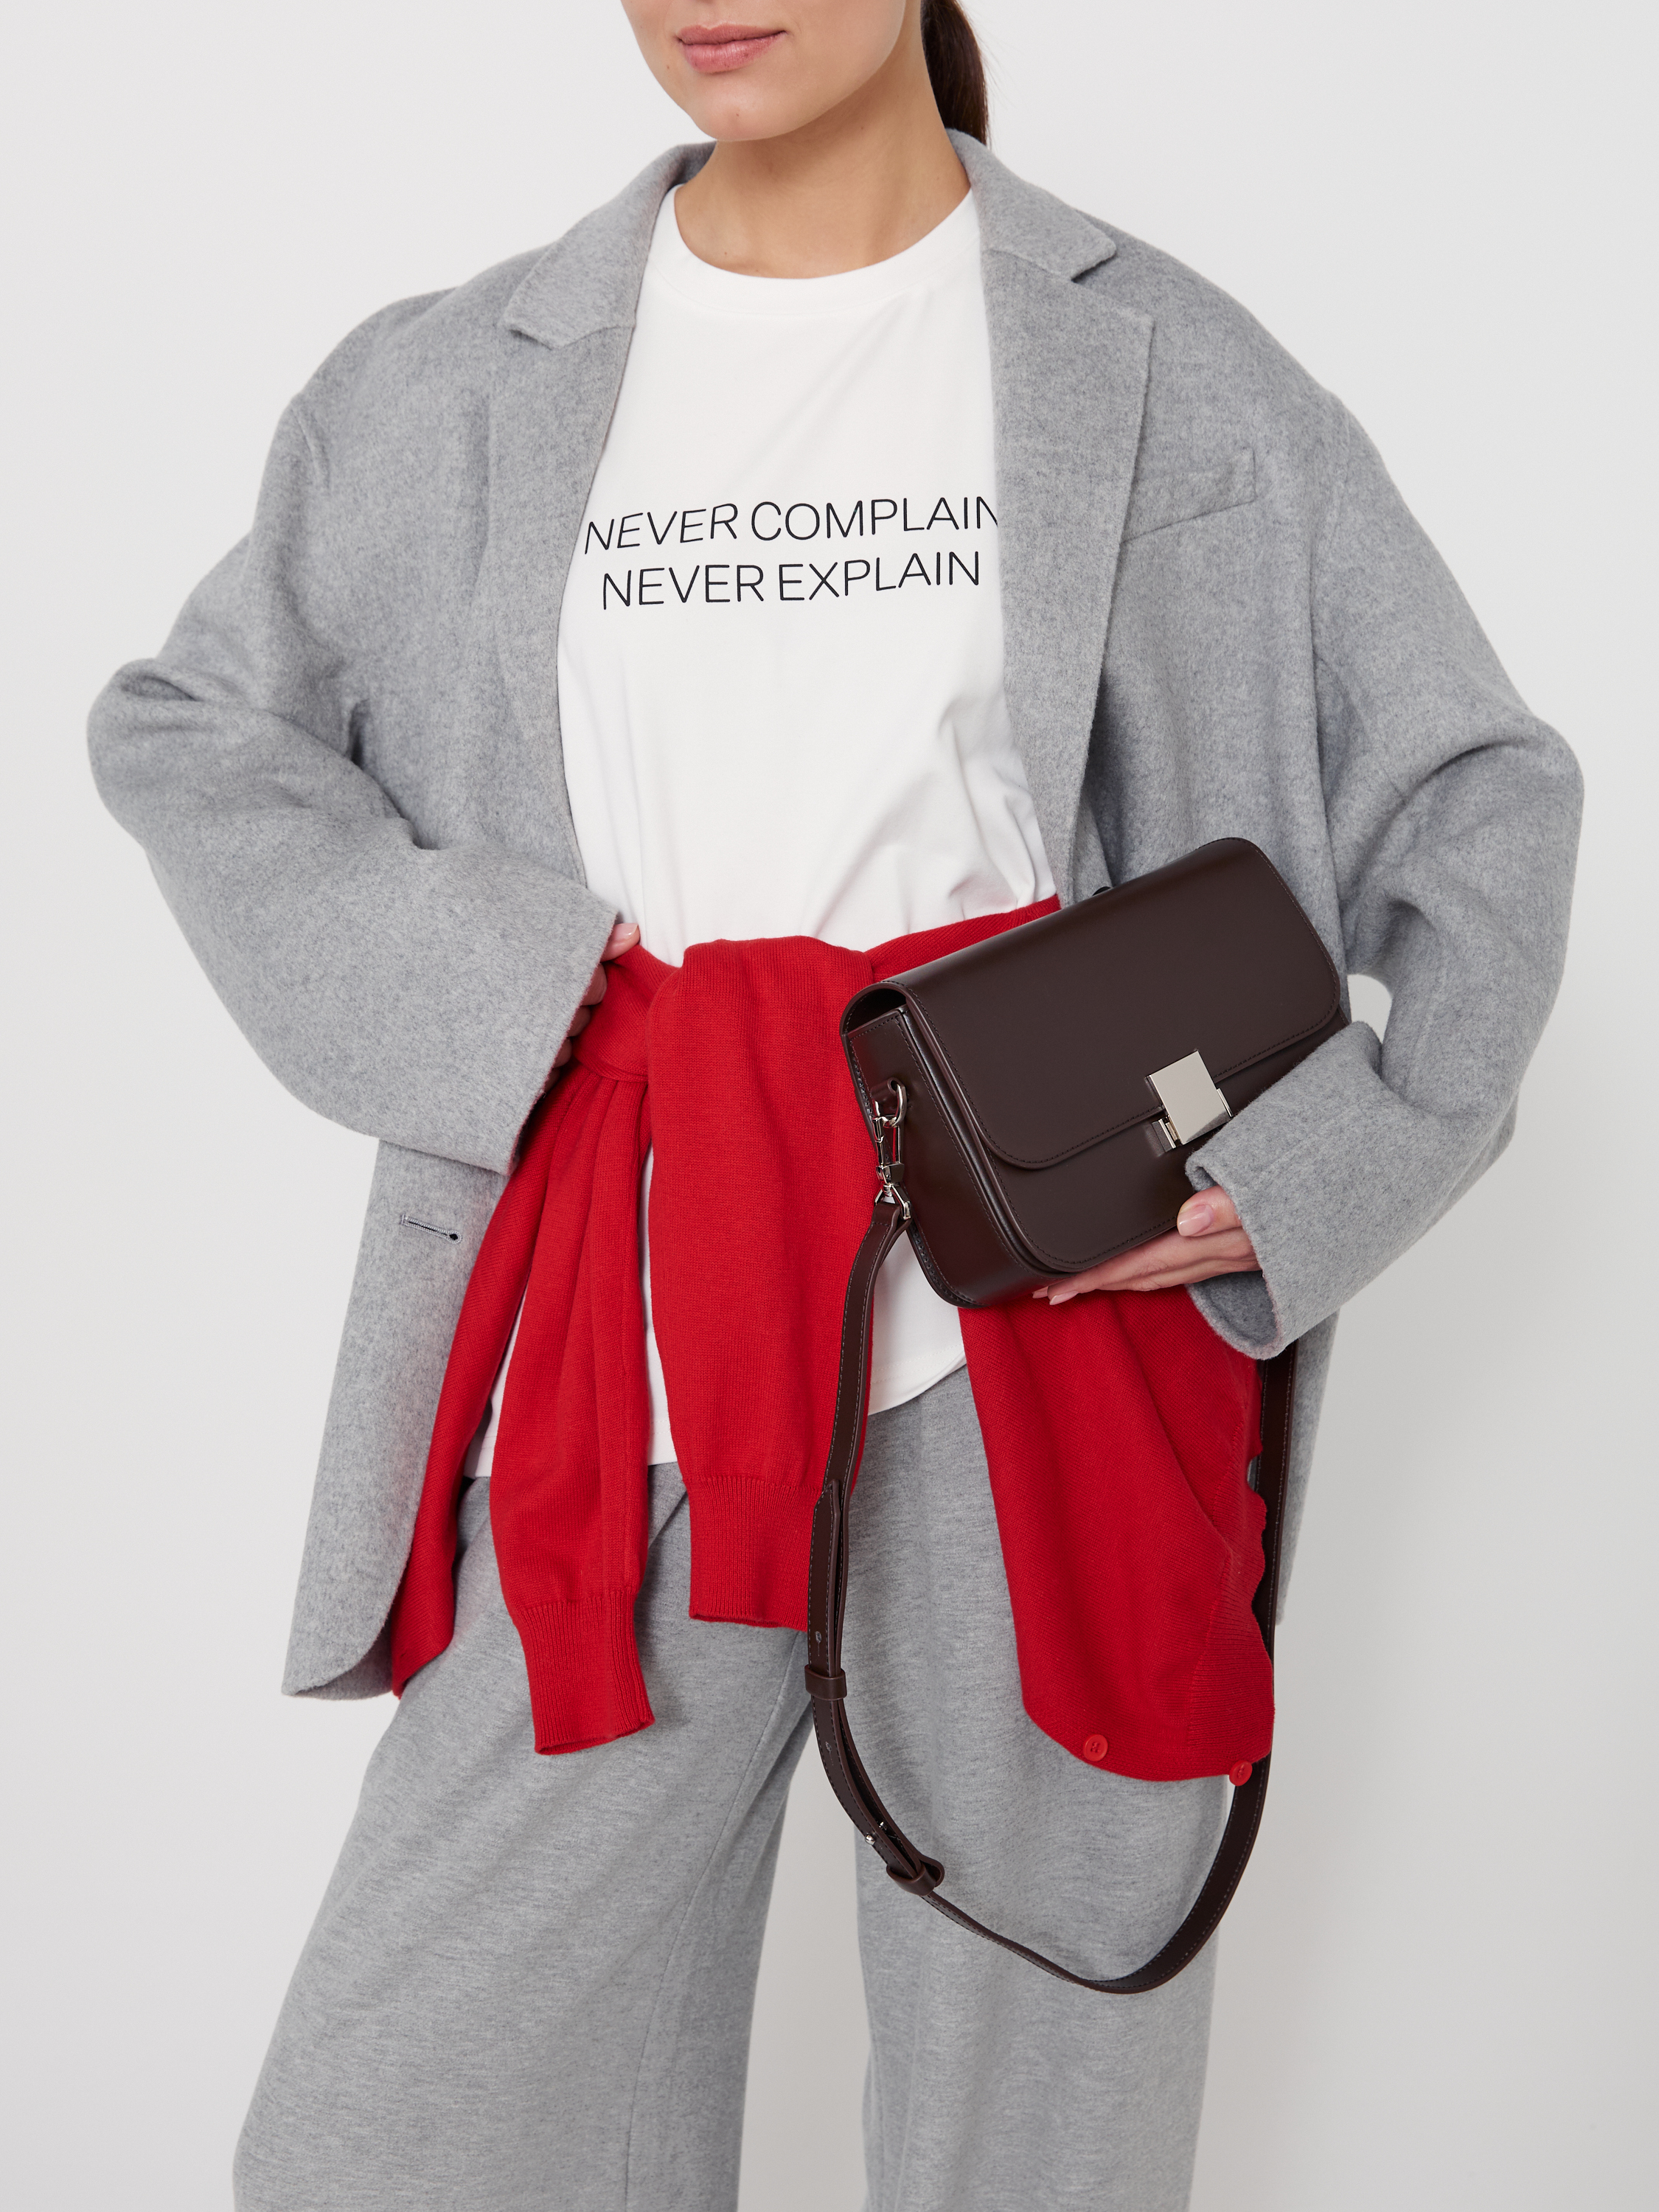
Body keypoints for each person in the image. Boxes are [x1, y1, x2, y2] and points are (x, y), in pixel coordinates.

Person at [87, 4, 1582, 2207]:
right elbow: (192, 733)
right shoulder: (441, 384)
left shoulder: (1166, 364)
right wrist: (506, 982)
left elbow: (1476, 797)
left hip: (1045, 1350)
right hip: (626, 1341)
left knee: (1034, 2144)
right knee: (391, 2141)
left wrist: (1318, 1170)